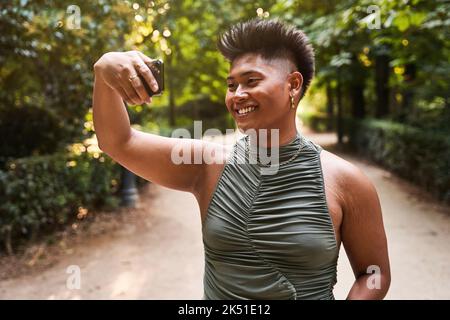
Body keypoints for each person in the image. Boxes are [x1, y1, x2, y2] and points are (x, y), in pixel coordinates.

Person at [92, 18, 390, 300]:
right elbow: (118, 141)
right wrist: (104, 70)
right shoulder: (206, 165)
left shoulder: (348, 182)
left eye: (251, 81)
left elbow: (374, 274)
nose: (237, 94)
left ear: (293, 85)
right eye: (231, 85)